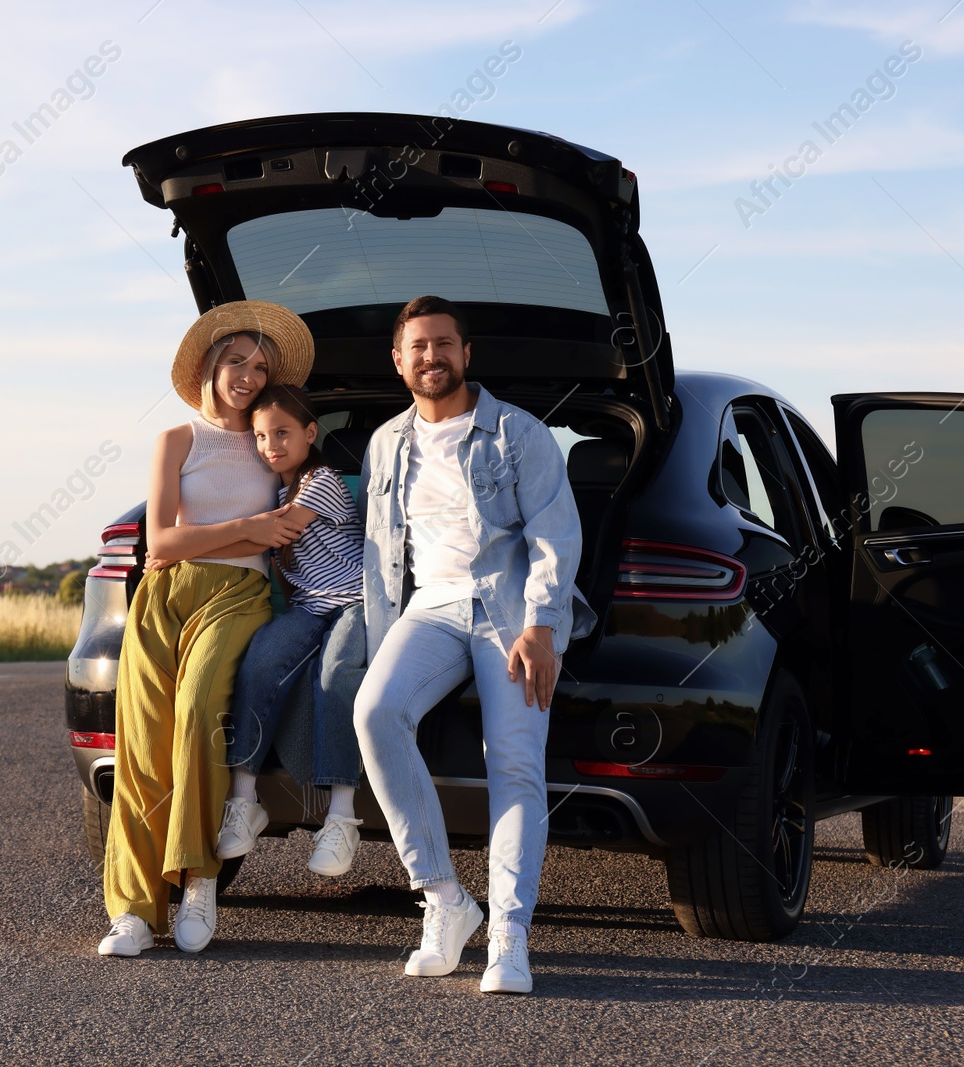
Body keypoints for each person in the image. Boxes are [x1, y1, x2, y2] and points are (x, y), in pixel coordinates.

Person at [353, 295, 595, 995]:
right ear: (398, 361)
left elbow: (555, 532)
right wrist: (379, 643)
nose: (432, 357)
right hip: (427, 611)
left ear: (467, 353)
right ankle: (444, 898)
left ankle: (510, 937)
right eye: (418, 347)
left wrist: (543, 625)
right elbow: (378, 558)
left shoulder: (518, 433)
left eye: (444, 344)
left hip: (509, 612)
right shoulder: (385, 443)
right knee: (375, 712)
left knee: (515, 763)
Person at [98, 300, 314, 958]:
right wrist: (249, 528)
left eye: (260, 365)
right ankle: (133, 911)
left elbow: (303, 513)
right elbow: (159, 539)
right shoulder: (176, 440)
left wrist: (216, 540)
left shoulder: (271, 441)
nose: (249, 374)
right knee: (142, 742)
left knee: (196, 715)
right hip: (164, 597)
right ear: (208, 370)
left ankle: (199, 878)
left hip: (239, 594)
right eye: (236, 362)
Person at [216, 384, 368, 876]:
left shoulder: (320, 480)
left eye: (282, 432)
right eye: (260, 436)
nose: (270, 445)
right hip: (309, 607)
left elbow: (278, 531)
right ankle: (244, 800)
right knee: (260, 661)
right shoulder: (275, 491)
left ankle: (341, 817)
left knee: (336, 673)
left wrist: (184, 541)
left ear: (308, 433)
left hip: (356, 602)